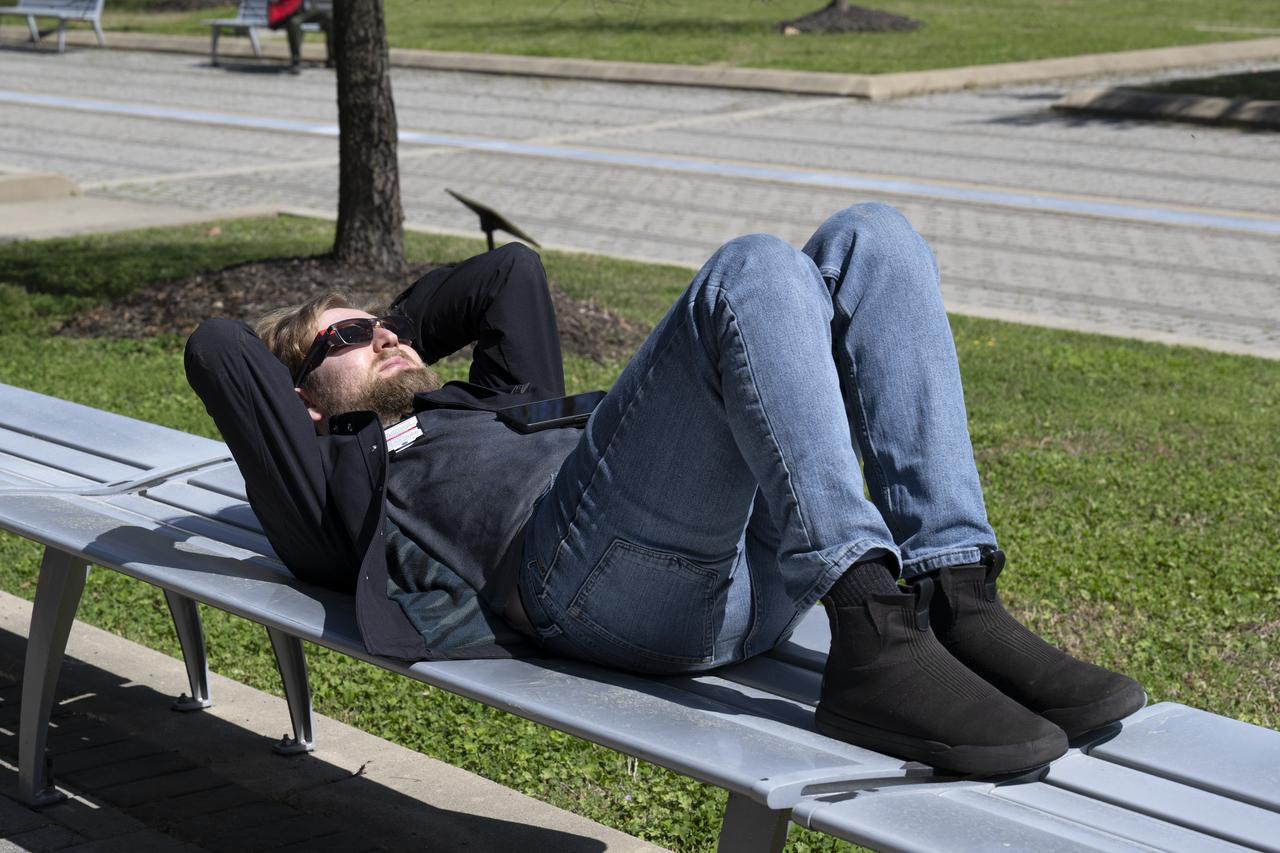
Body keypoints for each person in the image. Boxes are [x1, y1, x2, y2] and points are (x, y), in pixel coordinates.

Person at [185, 203, 1146, 777]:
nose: (389, 337)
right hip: (591, 586)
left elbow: (507, 273)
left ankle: (954, 597)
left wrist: (380, 332)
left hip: (739, 565)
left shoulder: (490, 402)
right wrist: (334, 363)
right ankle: (877, 635)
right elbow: (218, 349)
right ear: (301, 401)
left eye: (390, 326)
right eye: (349, 342)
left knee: (874, 238)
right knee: (753, 270)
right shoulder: (337, 481)